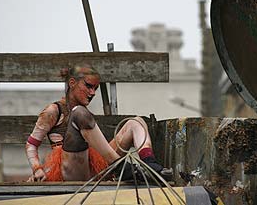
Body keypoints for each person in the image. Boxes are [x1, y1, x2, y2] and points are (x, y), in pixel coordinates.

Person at [25, 64, 170, 181]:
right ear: (72, 83)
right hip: (70, 170)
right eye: (88, 86)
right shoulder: (54, 110)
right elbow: (31, 144)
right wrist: (37, 169)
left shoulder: (85, 112)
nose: (93, 93)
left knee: (136, 122)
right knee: (79, 113)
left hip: (95, 166)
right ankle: (123, 169)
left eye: (95, 88)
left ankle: (151, 166)